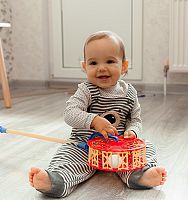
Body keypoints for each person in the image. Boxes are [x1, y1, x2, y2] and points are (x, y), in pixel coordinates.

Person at [29, 30, 167, 198]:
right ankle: (56, 180)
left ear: (124, 66)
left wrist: (133, 131)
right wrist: (93, 120)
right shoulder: (86, 90)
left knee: (147, 147)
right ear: (84, 66)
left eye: (110, 61)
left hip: (118, 149)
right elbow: (69, 113)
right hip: (84, 147)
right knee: (67, 156)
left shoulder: (129, 92)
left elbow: (135, 119)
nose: (101, 68)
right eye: (93, 63)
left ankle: (140, 176)